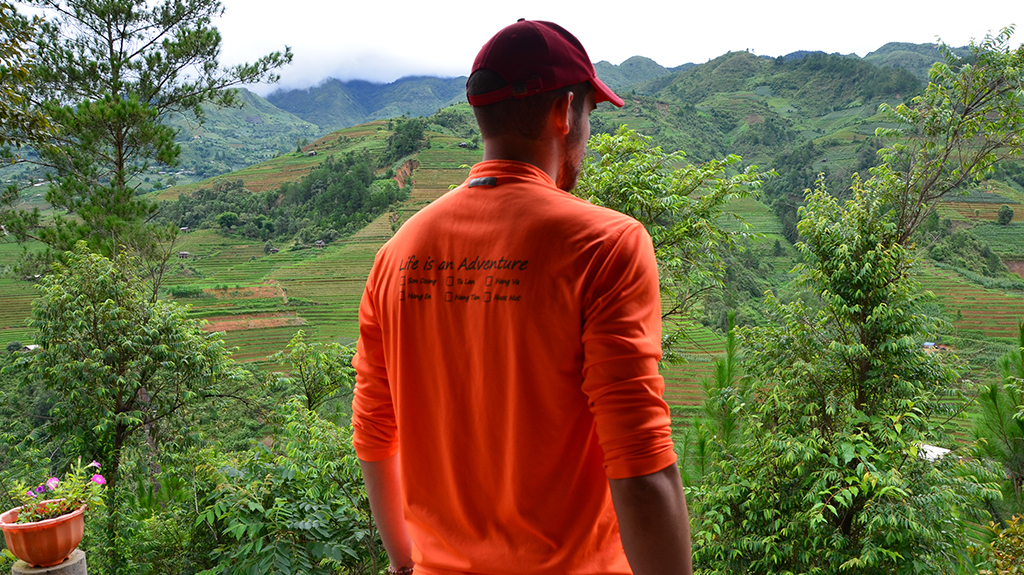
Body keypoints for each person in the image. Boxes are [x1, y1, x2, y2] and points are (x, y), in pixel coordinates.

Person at [352, 19, 692, 575]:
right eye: (589, 112)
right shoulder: (605, 245)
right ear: (564, 112)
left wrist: (403, 562)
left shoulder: (396, 255)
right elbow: (641, 466)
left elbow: (373, 430)